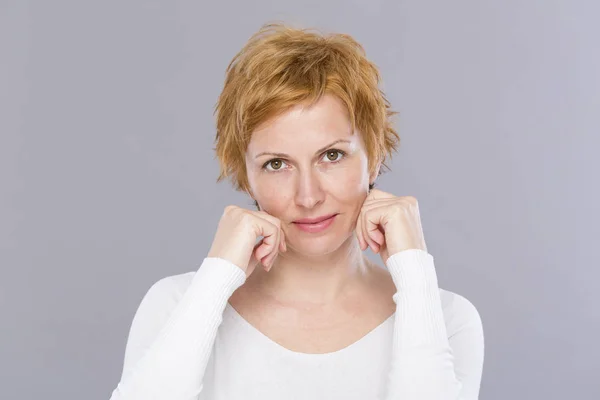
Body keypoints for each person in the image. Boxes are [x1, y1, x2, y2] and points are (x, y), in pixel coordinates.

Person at [108, 22, 484, 400]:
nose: (308, 196)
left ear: (375, 158)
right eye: (276, 164)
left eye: (332, 156)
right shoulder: (176, 304)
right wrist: (216, 277)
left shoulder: (446, 318)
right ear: (245, 176)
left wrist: (414, 269)